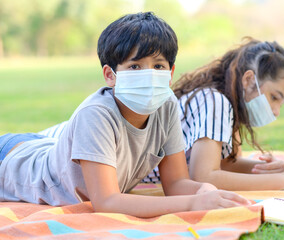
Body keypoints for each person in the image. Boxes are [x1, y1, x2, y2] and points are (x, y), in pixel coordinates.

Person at [0, 12, 251, 217]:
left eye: (158, 66)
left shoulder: (167, 106)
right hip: (9, 161)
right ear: (110, 75)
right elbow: (107, 202)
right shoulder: (96, 114)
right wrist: (190, 205)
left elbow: (175, 184)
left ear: (171, 72)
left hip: (40, 146)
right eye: (135, 66)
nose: (149, 74)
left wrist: (202, 191)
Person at [172, 37, 284, 190]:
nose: (276, 112)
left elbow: (225, 163)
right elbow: (203, 177)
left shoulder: (227, 101)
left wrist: (266, 170)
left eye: (281, 103)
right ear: (248, 80)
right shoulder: (215, 101)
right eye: (274, 97)